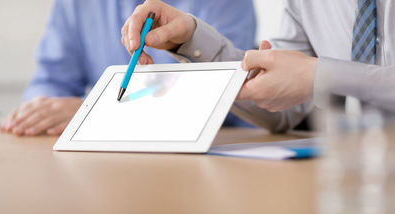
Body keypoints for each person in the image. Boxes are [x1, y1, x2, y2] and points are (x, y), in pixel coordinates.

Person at [119, 0, 395, 133]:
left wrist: (321, 75)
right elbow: (285, 109)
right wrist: (191, 39)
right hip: (349, 174)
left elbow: (309, 75)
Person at [0, 0, 256, 136]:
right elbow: (51, 81)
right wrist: (41, 112)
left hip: (213, 152)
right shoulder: (74, 4)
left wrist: (96, 111)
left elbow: (221, 87)